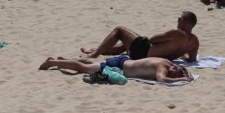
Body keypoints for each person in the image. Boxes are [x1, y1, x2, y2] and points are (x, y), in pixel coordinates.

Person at [80, 12, 198, 61]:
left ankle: (94, 54)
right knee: (124, 45)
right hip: (148, 57)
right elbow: (191, 59)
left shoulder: (177, 33)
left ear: (187, 23)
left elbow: (152, 40)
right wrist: (181, 53)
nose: (177, 20)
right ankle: (96, 50)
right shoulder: (194, 42)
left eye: (180, 18)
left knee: (119, 30)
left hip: (143, 51)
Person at [38, 54, 189, 84]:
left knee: (91, 63)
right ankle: (51, 63)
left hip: (124, 61)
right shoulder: (163, 67)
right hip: (119, 65)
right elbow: (162, 79)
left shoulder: (168, 62)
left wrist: (186, 73)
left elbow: (182, 69)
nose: (173, 76)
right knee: (83, 68)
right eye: (175, 75)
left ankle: (64, 61)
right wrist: (183, 78)